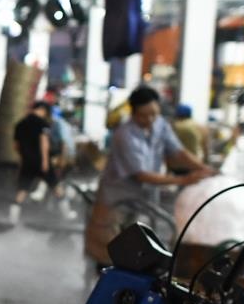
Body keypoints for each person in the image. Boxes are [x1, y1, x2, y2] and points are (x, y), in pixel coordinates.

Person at [86, 84, 213, 265]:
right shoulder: (124, 135)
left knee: (134, 249)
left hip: (141, 198)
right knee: (108, 251)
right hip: (115, 200)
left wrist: (203, 168)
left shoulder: (160, 124)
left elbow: (178, 152)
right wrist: (183, 179)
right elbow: (141, 175)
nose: (150, 119)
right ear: (133, 113)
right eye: (143, 115)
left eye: (154, 113)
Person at [13, 99, 52, 212]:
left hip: (26, 160)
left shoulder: (21, 124)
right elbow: (44, 143)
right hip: (40, 159)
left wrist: (23, 157)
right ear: (43, 110)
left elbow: (16, 145)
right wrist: (45, 160)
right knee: (55, 185)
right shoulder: (43, 124)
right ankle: (67, 214)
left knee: (23, 188)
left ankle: (12, 216)